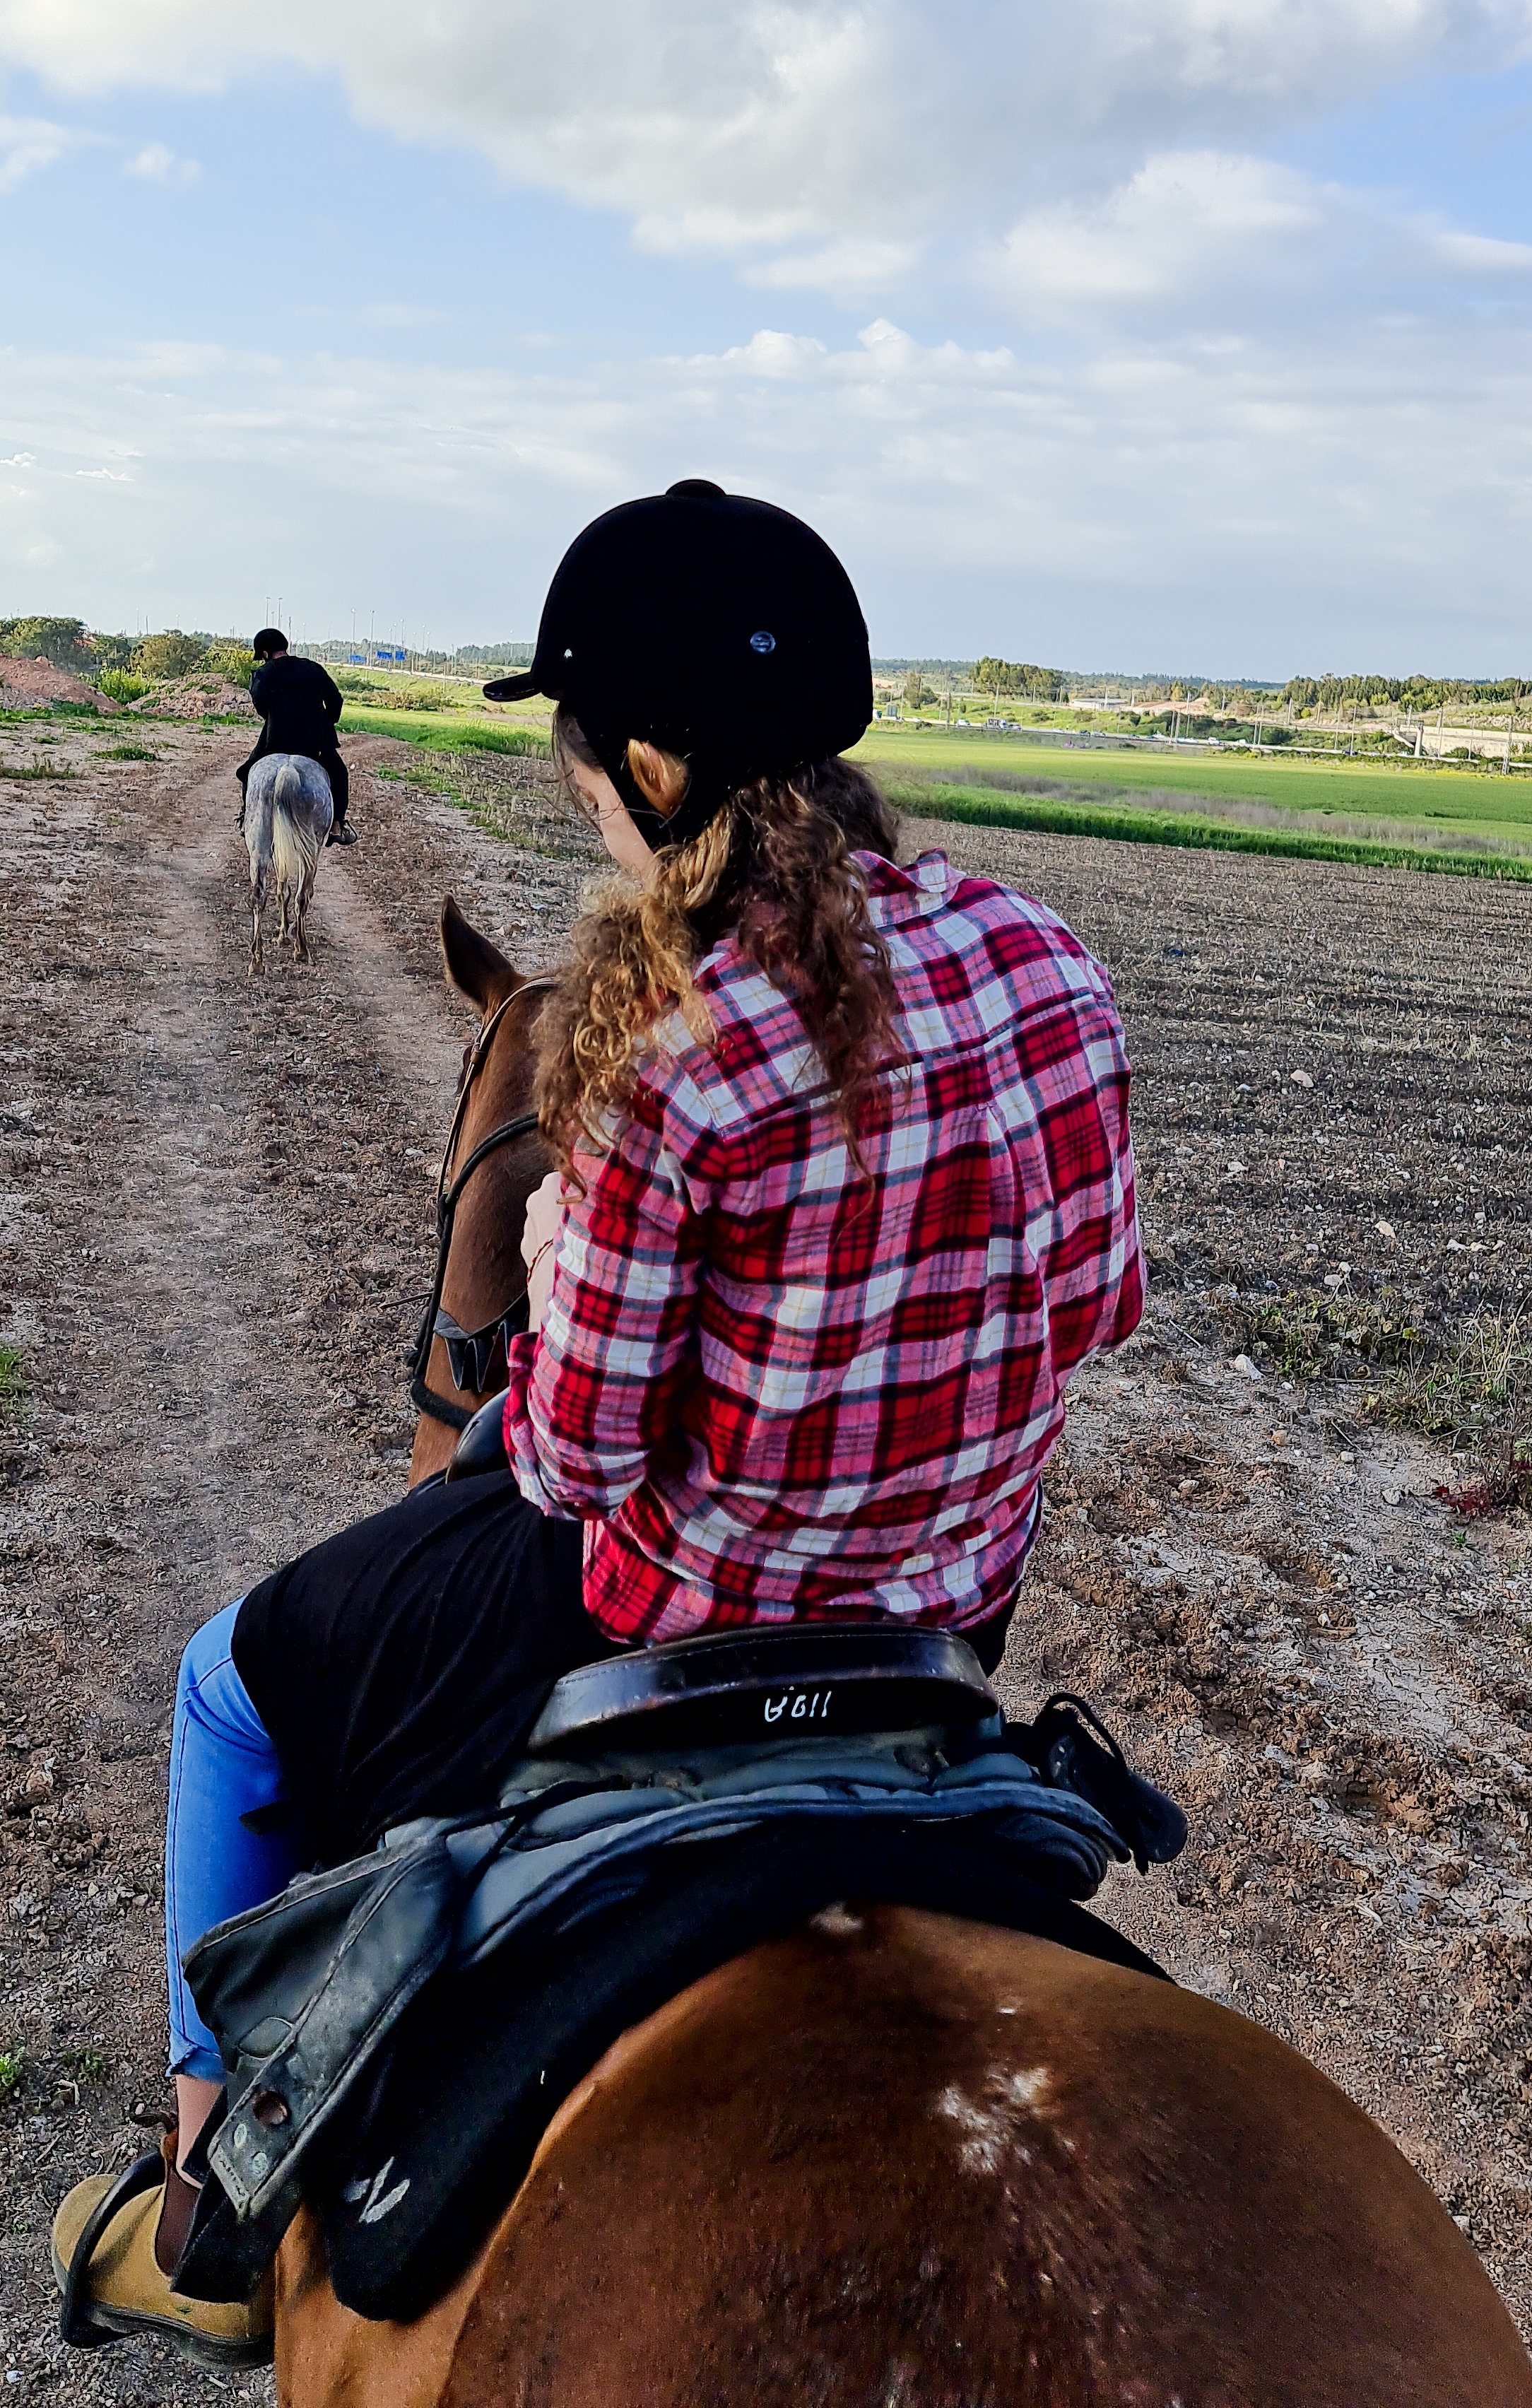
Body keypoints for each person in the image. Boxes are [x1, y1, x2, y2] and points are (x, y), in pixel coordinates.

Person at [52, 480, 1143, 2361]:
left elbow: (571, 1455)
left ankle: (206, 2196)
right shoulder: (1049, 962)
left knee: (231, 1684)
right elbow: (1097, 1311)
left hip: (672, 1619)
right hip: (948, 1615)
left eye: (573, 758)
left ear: (647, 764)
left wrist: (569, 1263)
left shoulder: (670, 1043)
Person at [235, 627, 355, 844]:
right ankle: (337, 825)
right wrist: (325, 723)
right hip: (315, 742)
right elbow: (335, 700)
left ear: (265, 653)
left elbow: (261, 704)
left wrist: (276, 718)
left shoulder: (263, 674)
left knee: (248, 772)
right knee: (339, 775)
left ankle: (246, 817)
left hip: (276, 740)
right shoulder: (313, 668)